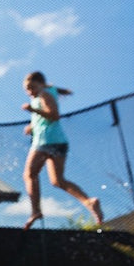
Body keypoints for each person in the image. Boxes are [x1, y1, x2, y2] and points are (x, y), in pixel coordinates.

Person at [21, 71, 103, 230]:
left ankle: (35, 211)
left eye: (31, 87)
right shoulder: (47, 93)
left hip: (46, 141)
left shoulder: (44, 94)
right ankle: (88, 202)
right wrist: (32, 126)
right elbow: (46, 118)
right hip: (59, 142)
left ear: (41, 84)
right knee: (57, 181)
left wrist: (33, 110)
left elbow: (54, 115)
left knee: (29, 175)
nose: (29, 92)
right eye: (27, 90)